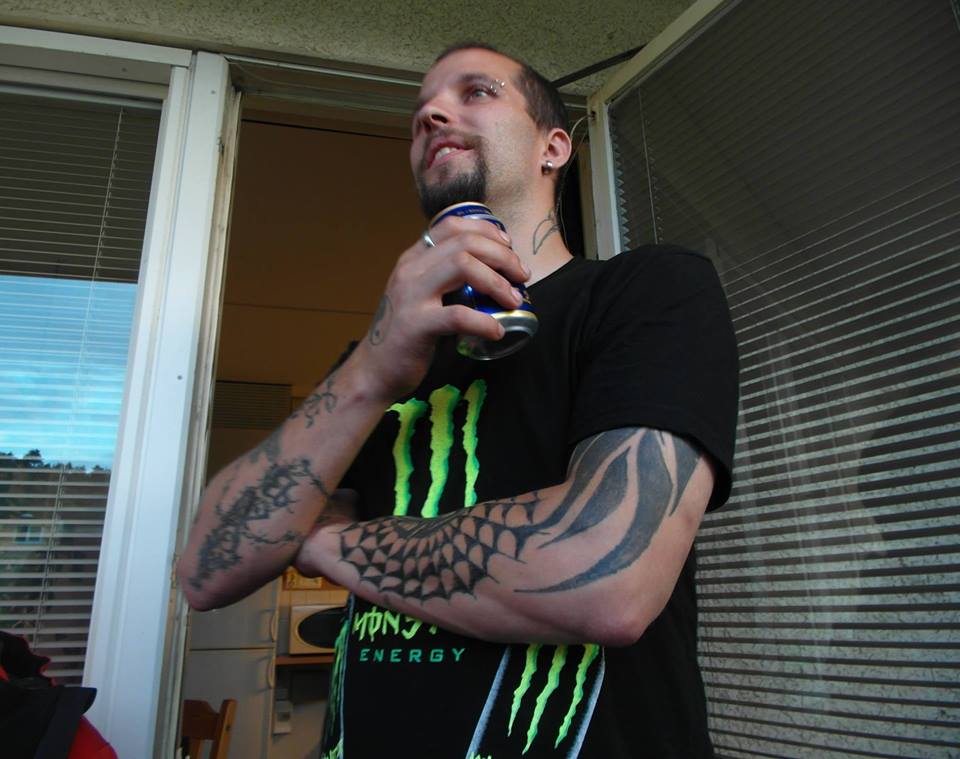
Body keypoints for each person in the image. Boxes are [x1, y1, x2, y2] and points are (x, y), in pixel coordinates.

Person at [178, 42, 739, 759]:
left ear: (553, 147)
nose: (432, 115)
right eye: (420, 112)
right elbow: (206, 569)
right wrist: (372, 367)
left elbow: (608, 579)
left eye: (476, 92)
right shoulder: (374, 363)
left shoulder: (645, 292)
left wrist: (319, 541)